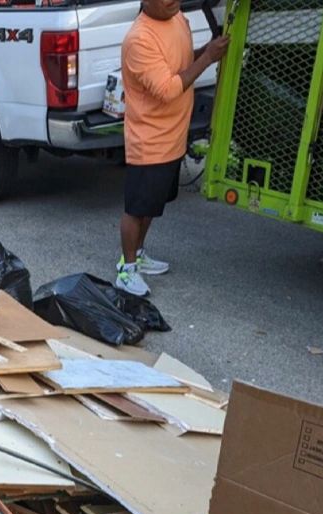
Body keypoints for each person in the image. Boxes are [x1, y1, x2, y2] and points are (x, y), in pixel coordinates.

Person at [116, 0, 229, 296]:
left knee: (152, 205)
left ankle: (138, 254)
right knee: (136, 209)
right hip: (149, 141)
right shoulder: (139, 39)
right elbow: (166, 89)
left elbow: (179, 64)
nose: (173, 1)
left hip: (173, 137)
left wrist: (205, 52)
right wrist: (208, 59)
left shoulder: (177, 17)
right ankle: (126, 271)